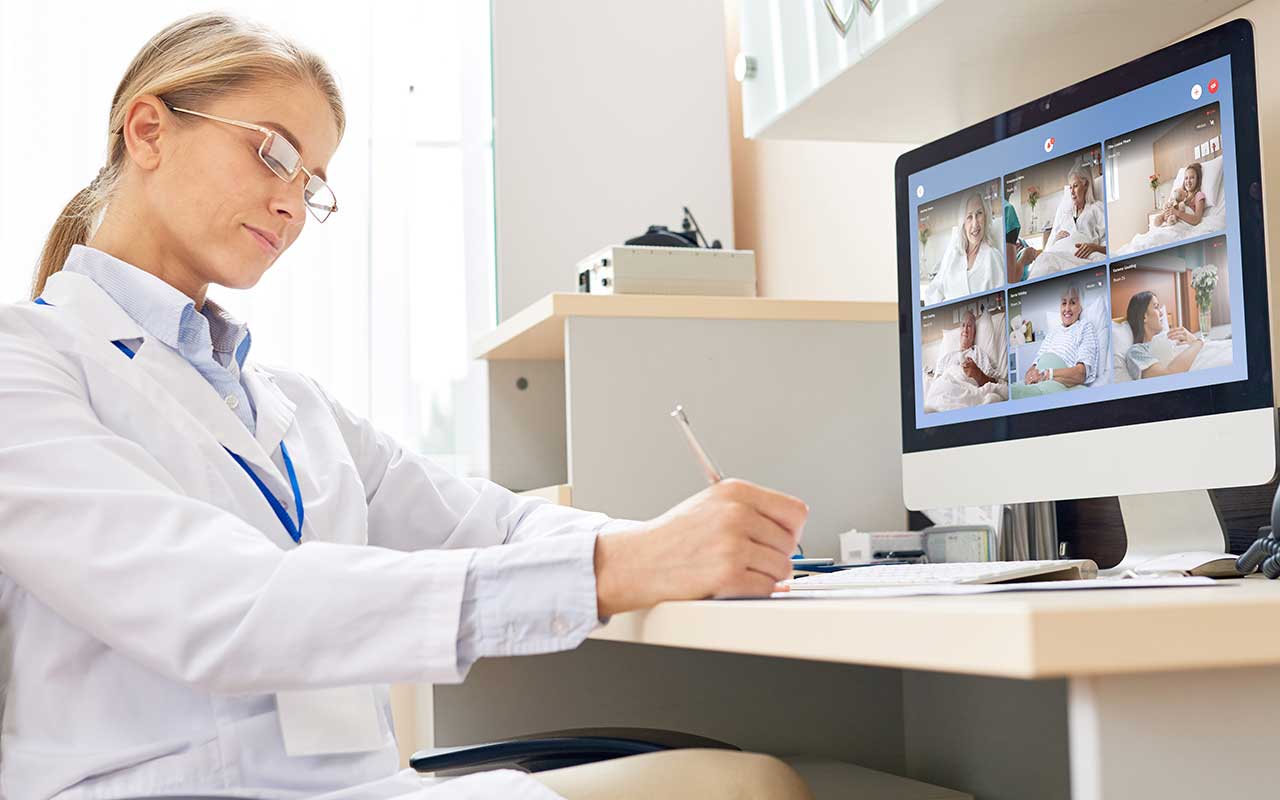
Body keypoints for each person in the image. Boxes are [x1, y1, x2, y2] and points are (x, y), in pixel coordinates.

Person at [0, 13, 813, 800]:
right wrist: (614, 571)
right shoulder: (27, 363)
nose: (291, 205)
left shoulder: (292, 406)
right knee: (746, 785)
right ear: (147, 130)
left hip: (358, 787)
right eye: (272, 153)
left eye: (310, 183)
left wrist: (675, 544)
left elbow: (493, 524)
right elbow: (212, 601)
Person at [1010, 284, 1100, 399]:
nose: (1067, 309)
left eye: (1072, 303)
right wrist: (1030, 376)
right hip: (1038, 381)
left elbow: (1080, 374)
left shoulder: (1085, 327)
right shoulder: (1052, 332)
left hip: (1058, 382)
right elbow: (1034, 365)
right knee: (1011, 391)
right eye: (1064, 303)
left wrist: (1047, 374)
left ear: (1080, 307)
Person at [921, 191, 1003, 306]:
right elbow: (934, 291)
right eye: (969, 217)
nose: (975, 224)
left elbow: (1001, 299)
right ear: (963, 223)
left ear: (985, 216)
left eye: (979, 213)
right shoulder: (953, 254)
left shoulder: (992, 256)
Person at [1123, 290, 1204, 379]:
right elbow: (1168, 376)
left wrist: (1192, 339)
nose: (1161, 313)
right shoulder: (1136, 351)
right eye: (1156, 307)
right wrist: (1198, 342)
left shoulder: (1171, 338)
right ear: (1144, 317)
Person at [933, 311, 999, 387]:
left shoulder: (978, 353)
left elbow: (995, 383)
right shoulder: (947, 357)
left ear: (974, 334)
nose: (965, 329)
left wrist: (978, 374)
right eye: (963, 325)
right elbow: (935, 383)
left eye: (969, 326)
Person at [1156, 162, 1207, 228]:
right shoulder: (1180, 194)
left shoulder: (1198, 195)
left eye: (1192, 178)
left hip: (1184, 225)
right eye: (1186, 178)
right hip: (1173, 222)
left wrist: (1176, 212)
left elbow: (1196, 219)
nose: (1188, 181)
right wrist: (1166, 213)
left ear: (1197, 180)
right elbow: (1173, 205)